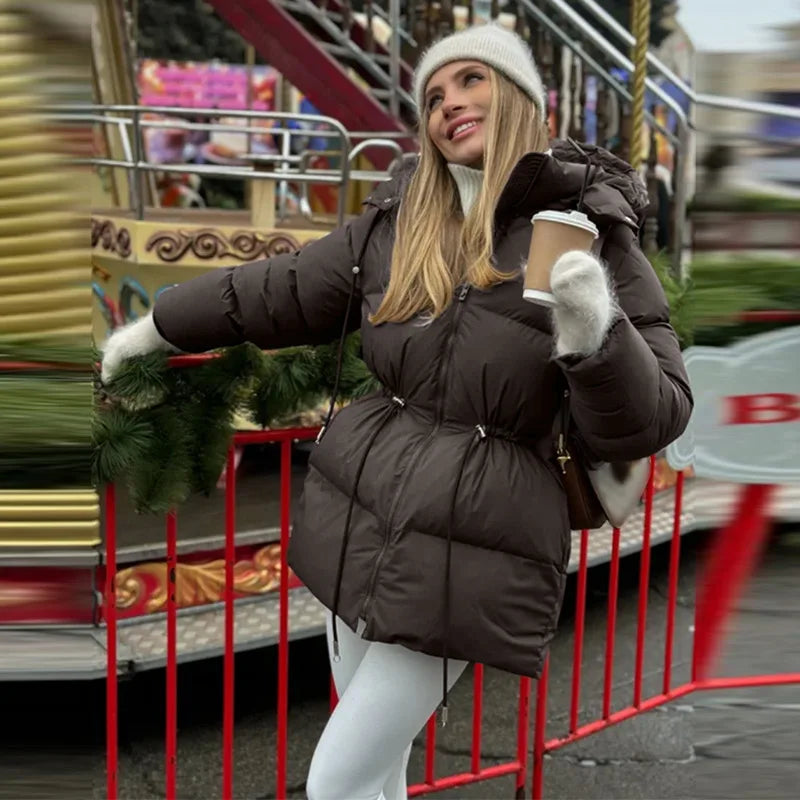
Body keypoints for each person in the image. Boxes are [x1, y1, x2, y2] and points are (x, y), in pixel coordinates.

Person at [102, 24, 692, 800]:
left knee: (335, 782)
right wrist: (158, 324)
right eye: (435, 97)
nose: (451, 104)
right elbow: (279, 290)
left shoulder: (587, 230)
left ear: (517, 97)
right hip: (362, 509)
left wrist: (593, 332)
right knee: (378, 772)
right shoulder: (401, 219)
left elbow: (655, 414)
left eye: (472, 81)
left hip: (472, 537)